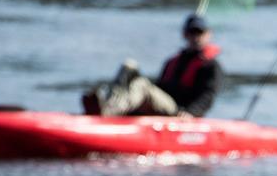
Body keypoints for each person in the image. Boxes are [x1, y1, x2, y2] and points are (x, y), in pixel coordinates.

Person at [81, 14, 224, 118]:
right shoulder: (172, 62)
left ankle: (108, 112)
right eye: (192, 32)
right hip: (163, 104)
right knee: (128, 67)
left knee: (142, 85)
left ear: (208, 34)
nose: (195, 37)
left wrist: (191, 113)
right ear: (185, 34)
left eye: (200, 33)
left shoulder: (211, 66)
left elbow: (208, 95)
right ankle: (109, 105)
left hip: (178, 110)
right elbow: (161, 86)